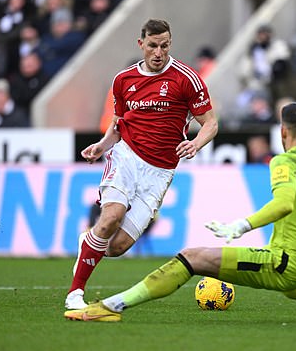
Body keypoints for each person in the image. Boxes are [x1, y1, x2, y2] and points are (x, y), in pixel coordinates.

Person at [64, 102, 296, 323]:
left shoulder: (285, 161)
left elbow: (284, 204)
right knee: (284, 270)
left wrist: (240, 225)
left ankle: (108, 306)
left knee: (190, 257)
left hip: (285, 262)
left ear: (283, 131)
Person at [64, 18, 218, 311]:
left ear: (170, 44)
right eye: (152, 46)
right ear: (141, 45)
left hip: (160, 172)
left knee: (117, 247)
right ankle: (75, 293)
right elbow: (119, 124)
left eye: (164, 46)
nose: (158, 52)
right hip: (127, 157)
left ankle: (88, 243)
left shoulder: (187, 79)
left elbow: (211, 124)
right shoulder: (123, 80)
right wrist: (102, 145)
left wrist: (196, 144)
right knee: (111, 216)